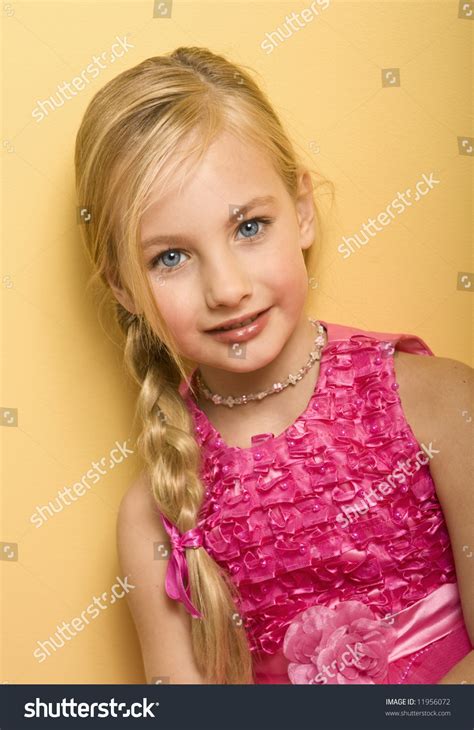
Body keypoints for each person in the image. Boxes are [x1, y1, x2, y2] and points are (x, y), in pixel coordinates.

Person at [74, 46, 473, 685]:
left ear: (303, 210)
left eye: (250, 226)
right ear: (123, 286)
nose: (227, 288)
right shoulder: (155, 515)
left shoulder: (439, 400)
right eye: (171, 258)